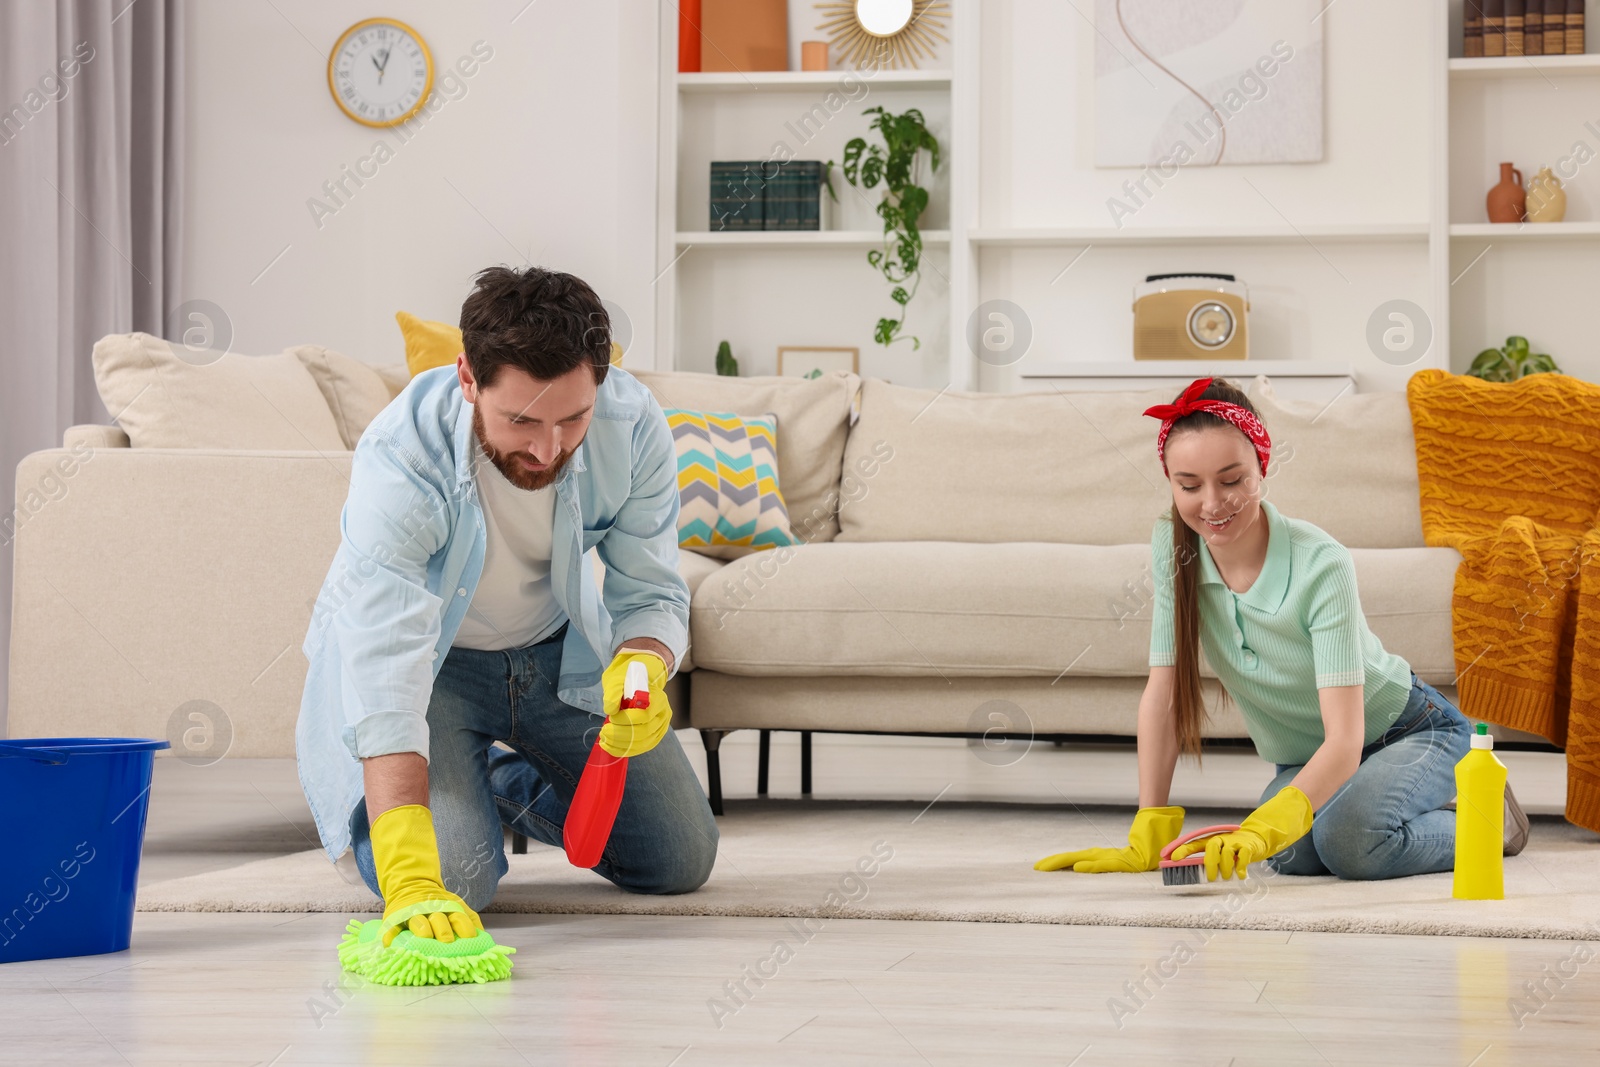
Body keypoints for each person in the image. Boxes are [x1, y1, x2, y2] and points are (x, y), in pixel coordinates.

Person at [297, 266, 717, 947]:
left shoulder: (633, 427)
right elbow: (384, 668)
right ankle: (434, 789)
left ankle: (491, 779)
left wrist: (642, 666)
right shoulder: (402, 459)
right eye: (521, 421)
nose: (549, 449)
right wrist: (410, 875)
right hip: (432, 670)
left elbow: (649, 588)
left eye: (573, 418)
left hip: (553, 656)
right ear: (468, 379)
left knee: (677, 856)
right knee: (456, 879)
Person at [1034, 376, 1528, 882]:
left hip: (1413, 732)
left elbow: (1345, 737)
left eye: (1232, 480)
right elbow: (1163, 694)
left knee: (1350, 843)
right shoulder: (1173, 544)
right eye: (1188, 485)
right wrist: (1149, 828)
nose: (1211, 503)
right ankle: (1377, 807)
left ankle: (1487, 818)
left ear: (1261, 470)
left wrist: (1276, 823)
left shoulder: (1322, 562)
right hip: (1310, 758)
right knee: (1289, 854)